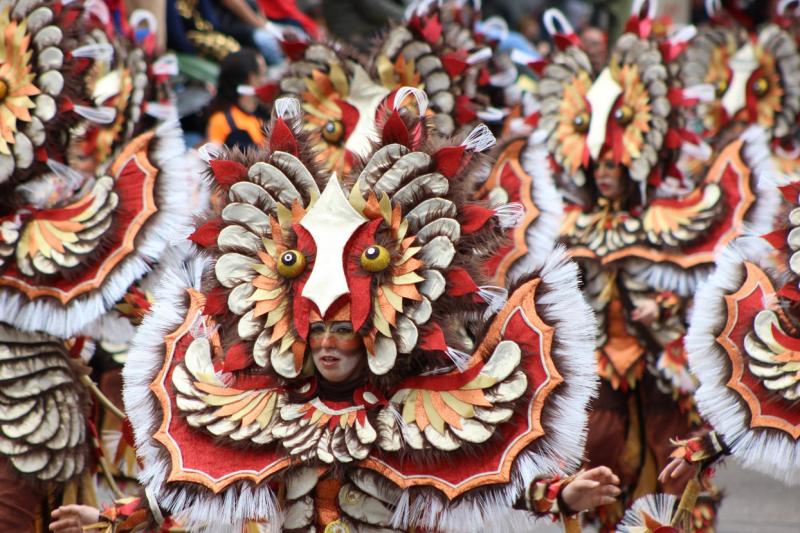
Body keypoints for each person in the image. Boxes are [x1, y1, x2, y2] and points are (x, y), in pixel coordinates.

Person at [206, 48, 269, 149]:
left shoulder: (263, 112)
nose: (267, 81)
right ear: (251, 78)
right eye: (264, 74)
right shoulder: (222, 121)